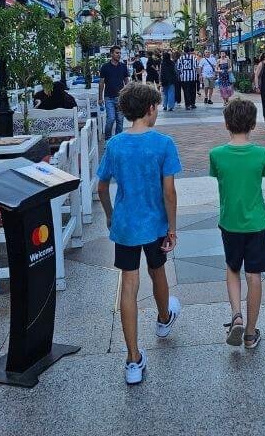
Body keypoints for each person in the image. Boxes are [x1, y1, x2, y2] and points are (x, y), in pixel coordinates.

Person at [96, 82, 182, 384]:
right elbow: (169, 192)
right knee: (158, 271)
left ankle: (133, 359)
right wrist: (172, 227)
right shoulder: (163, 143)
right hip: (155, 223)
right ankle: (162, 319)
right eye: (156, 107)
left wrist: (109, 215)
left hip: (126, 225)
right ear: (150, 109)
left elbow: (102, 186)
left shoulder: (115, 145)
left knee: (129, 285)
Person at [209, 98, 265, 349]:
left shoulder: (217, 155)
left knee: (232, 268)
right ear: (253, 124)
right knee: (254, 275)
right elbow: (263, 175)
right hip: (256, 222)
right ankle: (249, 332)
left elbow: (218, 176)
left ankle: (236, 315)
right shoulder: (261, 154)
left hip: (229, 222)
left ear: (226, 124)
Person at [99, 46, 130, 139]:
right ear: (111, 54)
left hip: (120, 98)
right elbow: (101, 83)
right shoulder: (105, 67)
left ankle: (118, 139)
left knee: (120, 120)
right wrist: (100, 98)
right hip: (109, 98)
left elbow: (126, 81)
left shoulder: (123, 66)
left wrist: (128, 95)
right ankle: (108, 139)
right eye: (117, 53)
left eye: (120, 53)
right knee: (111, 119)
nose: (119, 55)